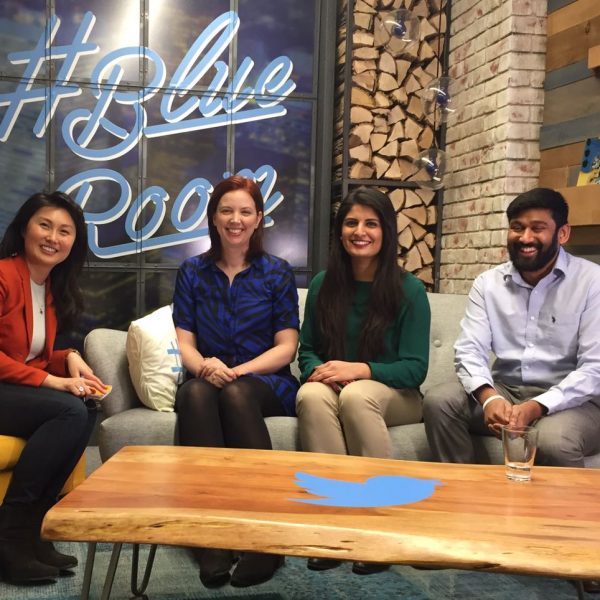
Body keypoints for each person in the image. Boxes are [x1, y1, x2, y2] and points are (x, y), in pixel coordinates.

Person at [296, 187, 431, 575]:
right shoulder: (323, 284)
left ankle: (377, 528)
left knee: (356, 396)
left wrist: (358, 369)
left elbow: (415, 368)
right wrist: (321, 373)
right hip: (339, 386)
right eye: (351, 222)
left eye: (371, 223)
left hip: (397, 396)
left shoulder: (410, 290)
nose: (361, 231)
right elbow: (307, 351)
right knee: (310, 394)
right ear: (340, 232)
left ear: (386, 231)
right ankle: (333, 528)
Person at [173, 175, 299, 588]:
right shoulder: (192, 272)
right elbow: (185, 343)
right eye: (226, 210)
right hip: (209, 376)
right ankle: (212, 539)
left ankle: (265, 538)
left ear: (258, 218)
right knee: (192, 394)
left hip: (263, 381)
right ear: (213, 217)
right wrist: (205, 367)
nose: (235, 219)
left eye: (245, 211)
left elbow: (286, 347)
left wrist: (238, 370)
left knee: (237, 394)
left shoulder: (276, 272)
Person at [423, 187, 600, 467]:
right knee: (440, 401)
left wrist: (536, 407)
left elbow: (594, 370)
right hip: (507, 389)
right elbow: (469, 350)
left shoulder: (592, 282)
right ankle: (460, 494)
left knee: (552, 440)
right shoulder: (488, 284)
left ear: (562, 233)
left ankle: (559, 512)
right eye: (517, 228)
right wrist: (489, 398)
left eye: (537, 228)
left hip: (576, 401)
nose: (525, 238)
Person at [0, 191, 107, 584]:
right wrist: (53, 381)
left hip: (10, 390)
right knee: (68, 408)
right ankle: (10, 537)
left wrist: (69, 359)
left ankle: (34, 531)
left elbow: (30, 354)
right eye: (45, 225)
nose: (53, 237)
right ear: (25, 227)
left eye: (65, 231)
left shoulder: (47, 286)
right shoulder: (3, 275)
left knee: (86, 406)